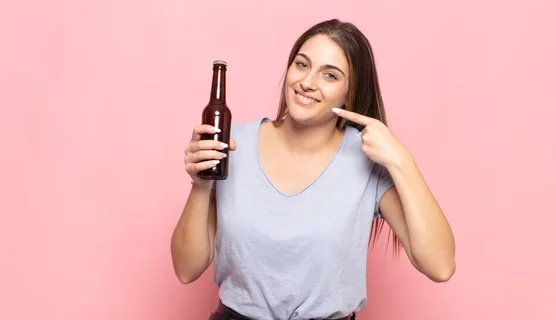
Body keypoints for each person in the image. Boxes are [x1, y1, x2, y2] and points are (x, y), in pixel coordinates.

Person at [171, 19, 456, 320]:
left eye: (330, 75)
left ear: (351, 91)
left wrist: (401, 159)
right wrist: (201, 184)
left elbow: (440, 265)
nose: (307, 82)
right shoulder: (233, 144)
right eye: (302, 64)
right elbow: (186, 270)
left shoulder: (368, 161)